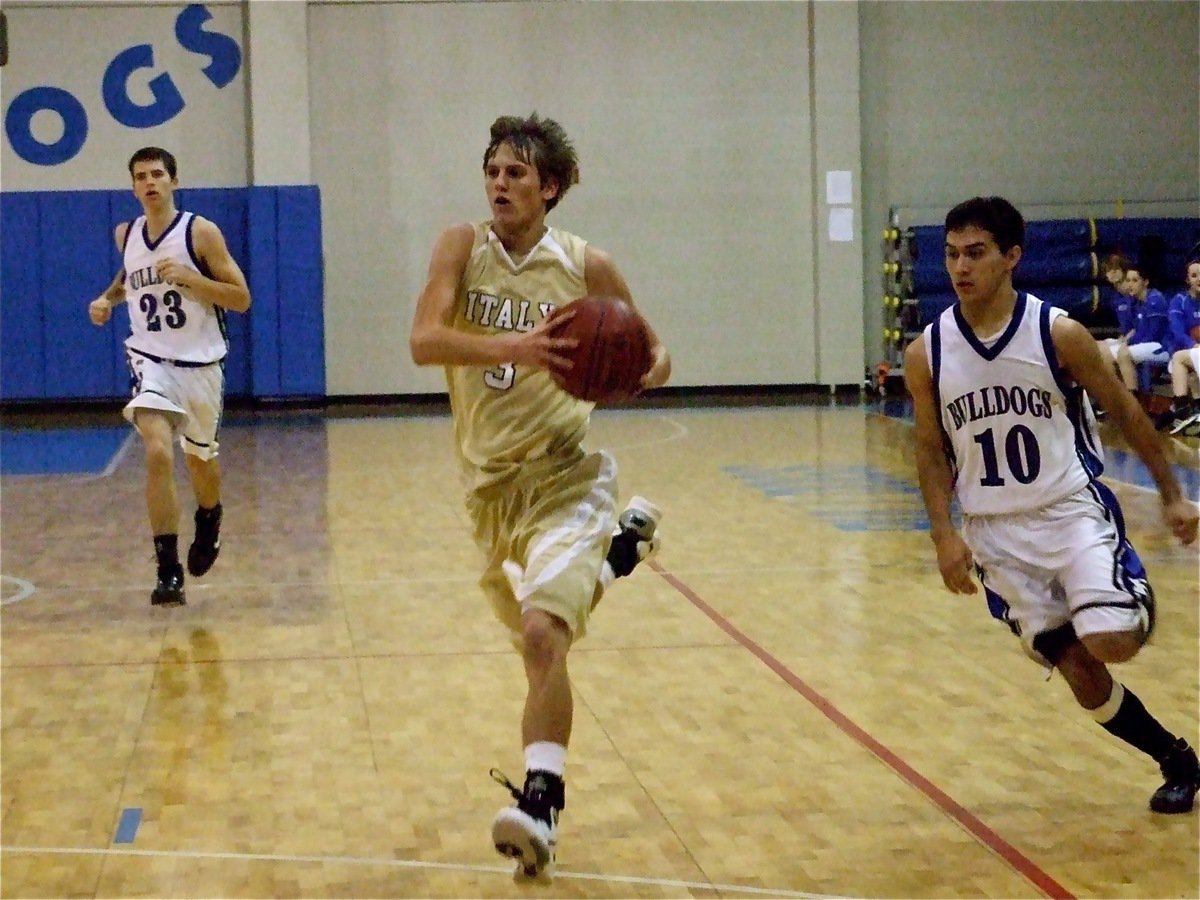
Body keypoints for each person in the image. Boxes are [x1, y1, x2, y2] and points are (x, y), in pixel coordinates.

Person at [408, 113, 671, 880]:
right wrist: (516, 347)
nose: (499, 183)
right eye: (492, 170)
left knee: (542, 637)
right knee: (544, 638)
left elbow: (658, 355)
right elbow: (423, 340)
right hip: (489, 493)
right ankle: (620, 554)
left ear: (549, 188)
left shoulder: (588, 265)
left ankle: (540, 803)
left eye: (516, 173)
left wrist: (631, 372)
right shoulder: (462, 246)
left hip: (565, 475)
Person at [905, 196, 1200, 815]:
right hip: (994, 533)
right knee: (1078, 672)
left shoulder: (1057, 333)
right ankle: (1175, 758)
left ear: (1012, 257)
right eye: (952, 254)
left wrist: (1173, 495)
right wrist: (942, 534)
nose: (961, 267)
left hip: (1068, 511)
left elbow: (1126, 412)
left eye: (976, 253)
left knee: (1110, 641)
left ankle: (1129, 599)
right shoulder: (925, 352)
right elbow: (931, 450)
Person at [88, 147, 251, 607]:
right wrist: (106, 300)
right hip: (150, 360)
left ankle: (210, 516)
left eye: (158, 174)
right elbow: (129, 279)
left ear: (174, 182)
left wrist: (189, 279)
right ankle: (167, 568)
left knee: (200, 461)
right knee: (157, 450)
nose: (150, 182)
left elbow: (240, 298)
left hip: (200, 366)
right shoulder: (127, 233)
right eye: (141, 176)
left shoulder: (200, 232)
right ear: (133, 186)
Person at [1114, 263, 1170, 394]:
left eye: (1135, 280)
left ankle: (1133, 399)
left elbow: (1153, 335)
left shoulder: (1155, 300)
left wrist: (1128, 343)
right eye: (1128, 280)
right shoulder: (1136, 302)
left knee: (1124, 354)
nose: (1130, 285)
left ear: (1145, 282)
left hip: (1162, 346)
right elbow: (1133, 329)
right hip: (1146, 344)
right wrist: (1124, 340)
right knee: (1104, 349)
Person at [1163, 260, 1200, 435]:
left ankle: (1181, 407)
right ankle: (1194, 410)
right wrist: (1194, 344)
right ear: (1187, 280)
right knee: (1185, 364)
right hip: (1191, 348)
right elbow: (1177, 332)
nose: (1199, 279)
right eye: (1194, 276)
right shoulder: (1179, 301)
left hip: (1190, 351)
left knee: (1180, 359)